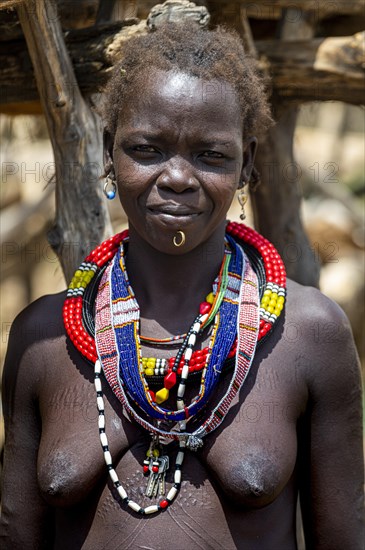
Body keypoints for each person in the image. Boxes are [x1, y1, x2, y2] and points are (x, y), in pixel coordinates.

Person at [1, 21, 363, 550]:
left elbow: (345, 537)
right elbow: (16, 535)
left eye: (211, 155)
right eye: (147, 149)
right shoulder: (46, 338)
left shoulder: (309, 335)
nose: (176, 177)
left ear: (248, 165)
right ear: (108, 153)